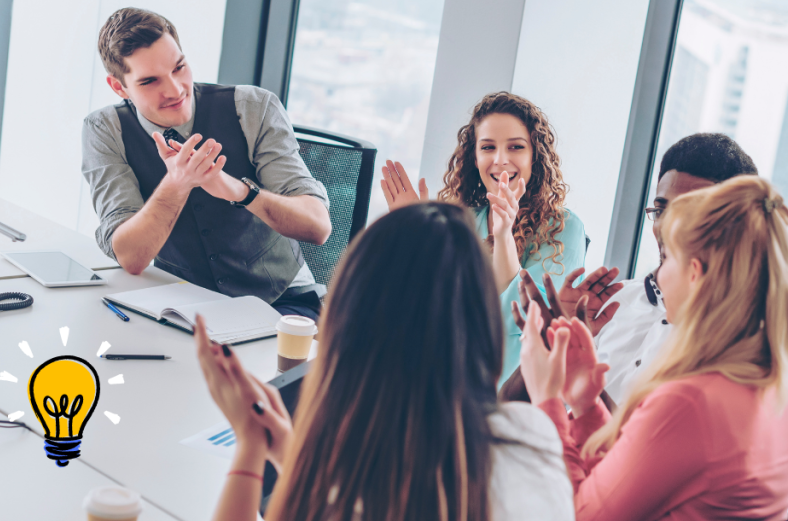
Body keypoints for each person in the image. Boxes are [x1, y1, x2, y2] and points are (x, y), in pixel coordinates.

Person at [194, 202, 574, 521]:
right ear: (482, 322)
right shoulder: (531, 435)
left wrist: (248, 444)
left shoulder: (371, 471)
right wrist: (282, 451)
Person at [520, 175, 788, 520]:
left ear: (694, 275)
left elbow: (579, 515)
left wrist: (547, 398)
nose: (657, 276)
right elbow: (627, 478)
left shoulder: (691, 403)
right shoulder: (770, 385)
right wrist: (584, 402)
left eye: (667, 259)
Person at [82, 8, 332, 319]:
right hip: (180, 302)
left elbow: (318, 227)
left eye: (179, 68)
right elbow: (131, 258)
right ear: (119, 87)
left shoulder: (253, 107)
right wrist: (177, 183)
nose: (175, 90)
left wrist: (240, 191)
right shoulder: (105, 130)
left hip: (280, 301)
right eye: (149, 81)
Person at [502, 133, 758, 404]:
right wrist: (551, 344)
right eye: (661, 210)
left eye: (689, 213)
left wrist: (582, 371)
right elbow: (508, 408)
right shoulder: (613, 301)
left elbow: (641, 445)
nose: (666, 227)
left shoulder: (738, 347)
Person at [380, 92, 586, 383]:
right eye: (488, 147)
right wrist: (414, 234)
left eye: (516, 147)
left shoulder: (563, 228)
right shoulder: (462, 219)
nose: (501, 160)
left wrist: (503, 236)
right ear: (475, 158)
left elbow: (522, 321)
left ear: (534, 155)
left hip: (516, 393)